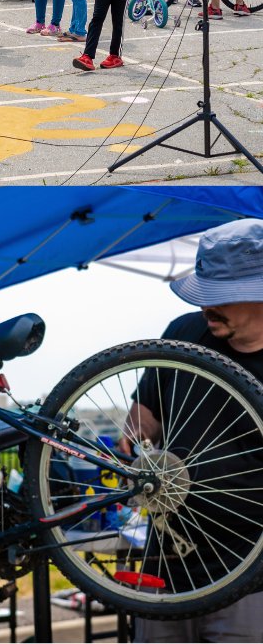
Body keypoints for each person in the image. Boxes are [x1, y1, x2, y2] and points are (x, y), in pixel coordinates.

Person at [127, 219, 263, 644]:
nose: (208, 306)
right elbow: (142, 417)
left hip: (251, 572)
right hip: (166, 560)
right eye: (204, 291)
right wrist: (137, 445)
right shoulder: (185, 333)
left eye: (221, 296)